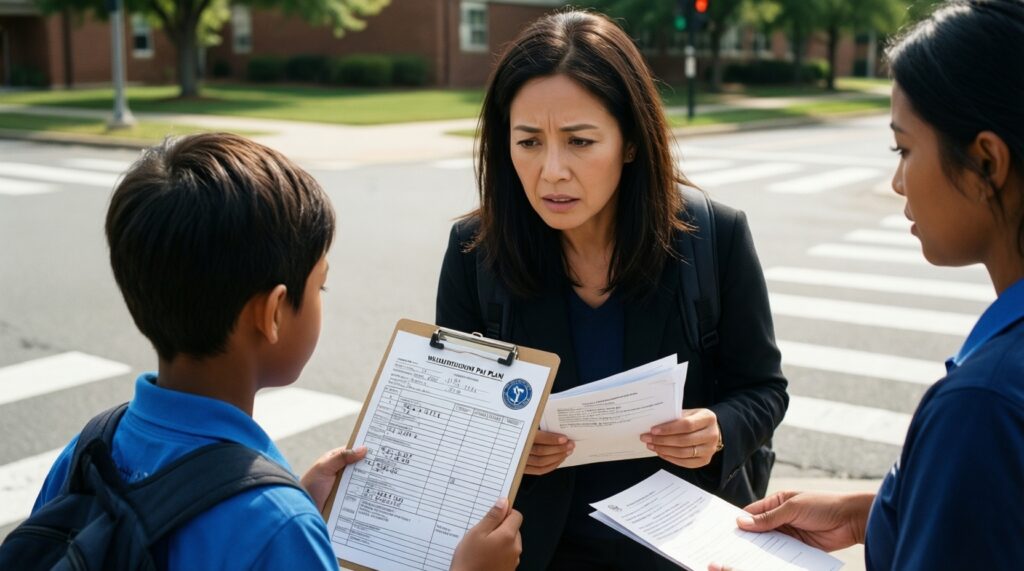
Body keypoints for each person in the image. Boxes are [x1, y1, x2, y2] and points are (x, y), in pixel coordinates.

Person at [30, 133, 523, 570]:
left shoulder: (86, 451)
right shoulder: (278, 530)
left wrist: (300, 498)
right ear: (272, 314)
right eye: (320, 287)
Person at [435, 10, 788, 570]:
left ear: (628, 141)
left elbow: (763, 389)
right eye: (528, 142)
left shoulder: (714, 236)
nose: (552, 170)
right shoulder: (473, 251)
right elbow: (453, 412)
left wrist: (719, 429)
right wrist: (507, 444)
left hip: (683, 545)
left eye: (579, 141)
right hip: (536, 550)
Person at [712, 2, 1024, 570]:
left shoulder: (983, 406)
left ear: (986, 161)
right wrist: (872, 513)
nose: (897, 181)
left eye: (904, 149)